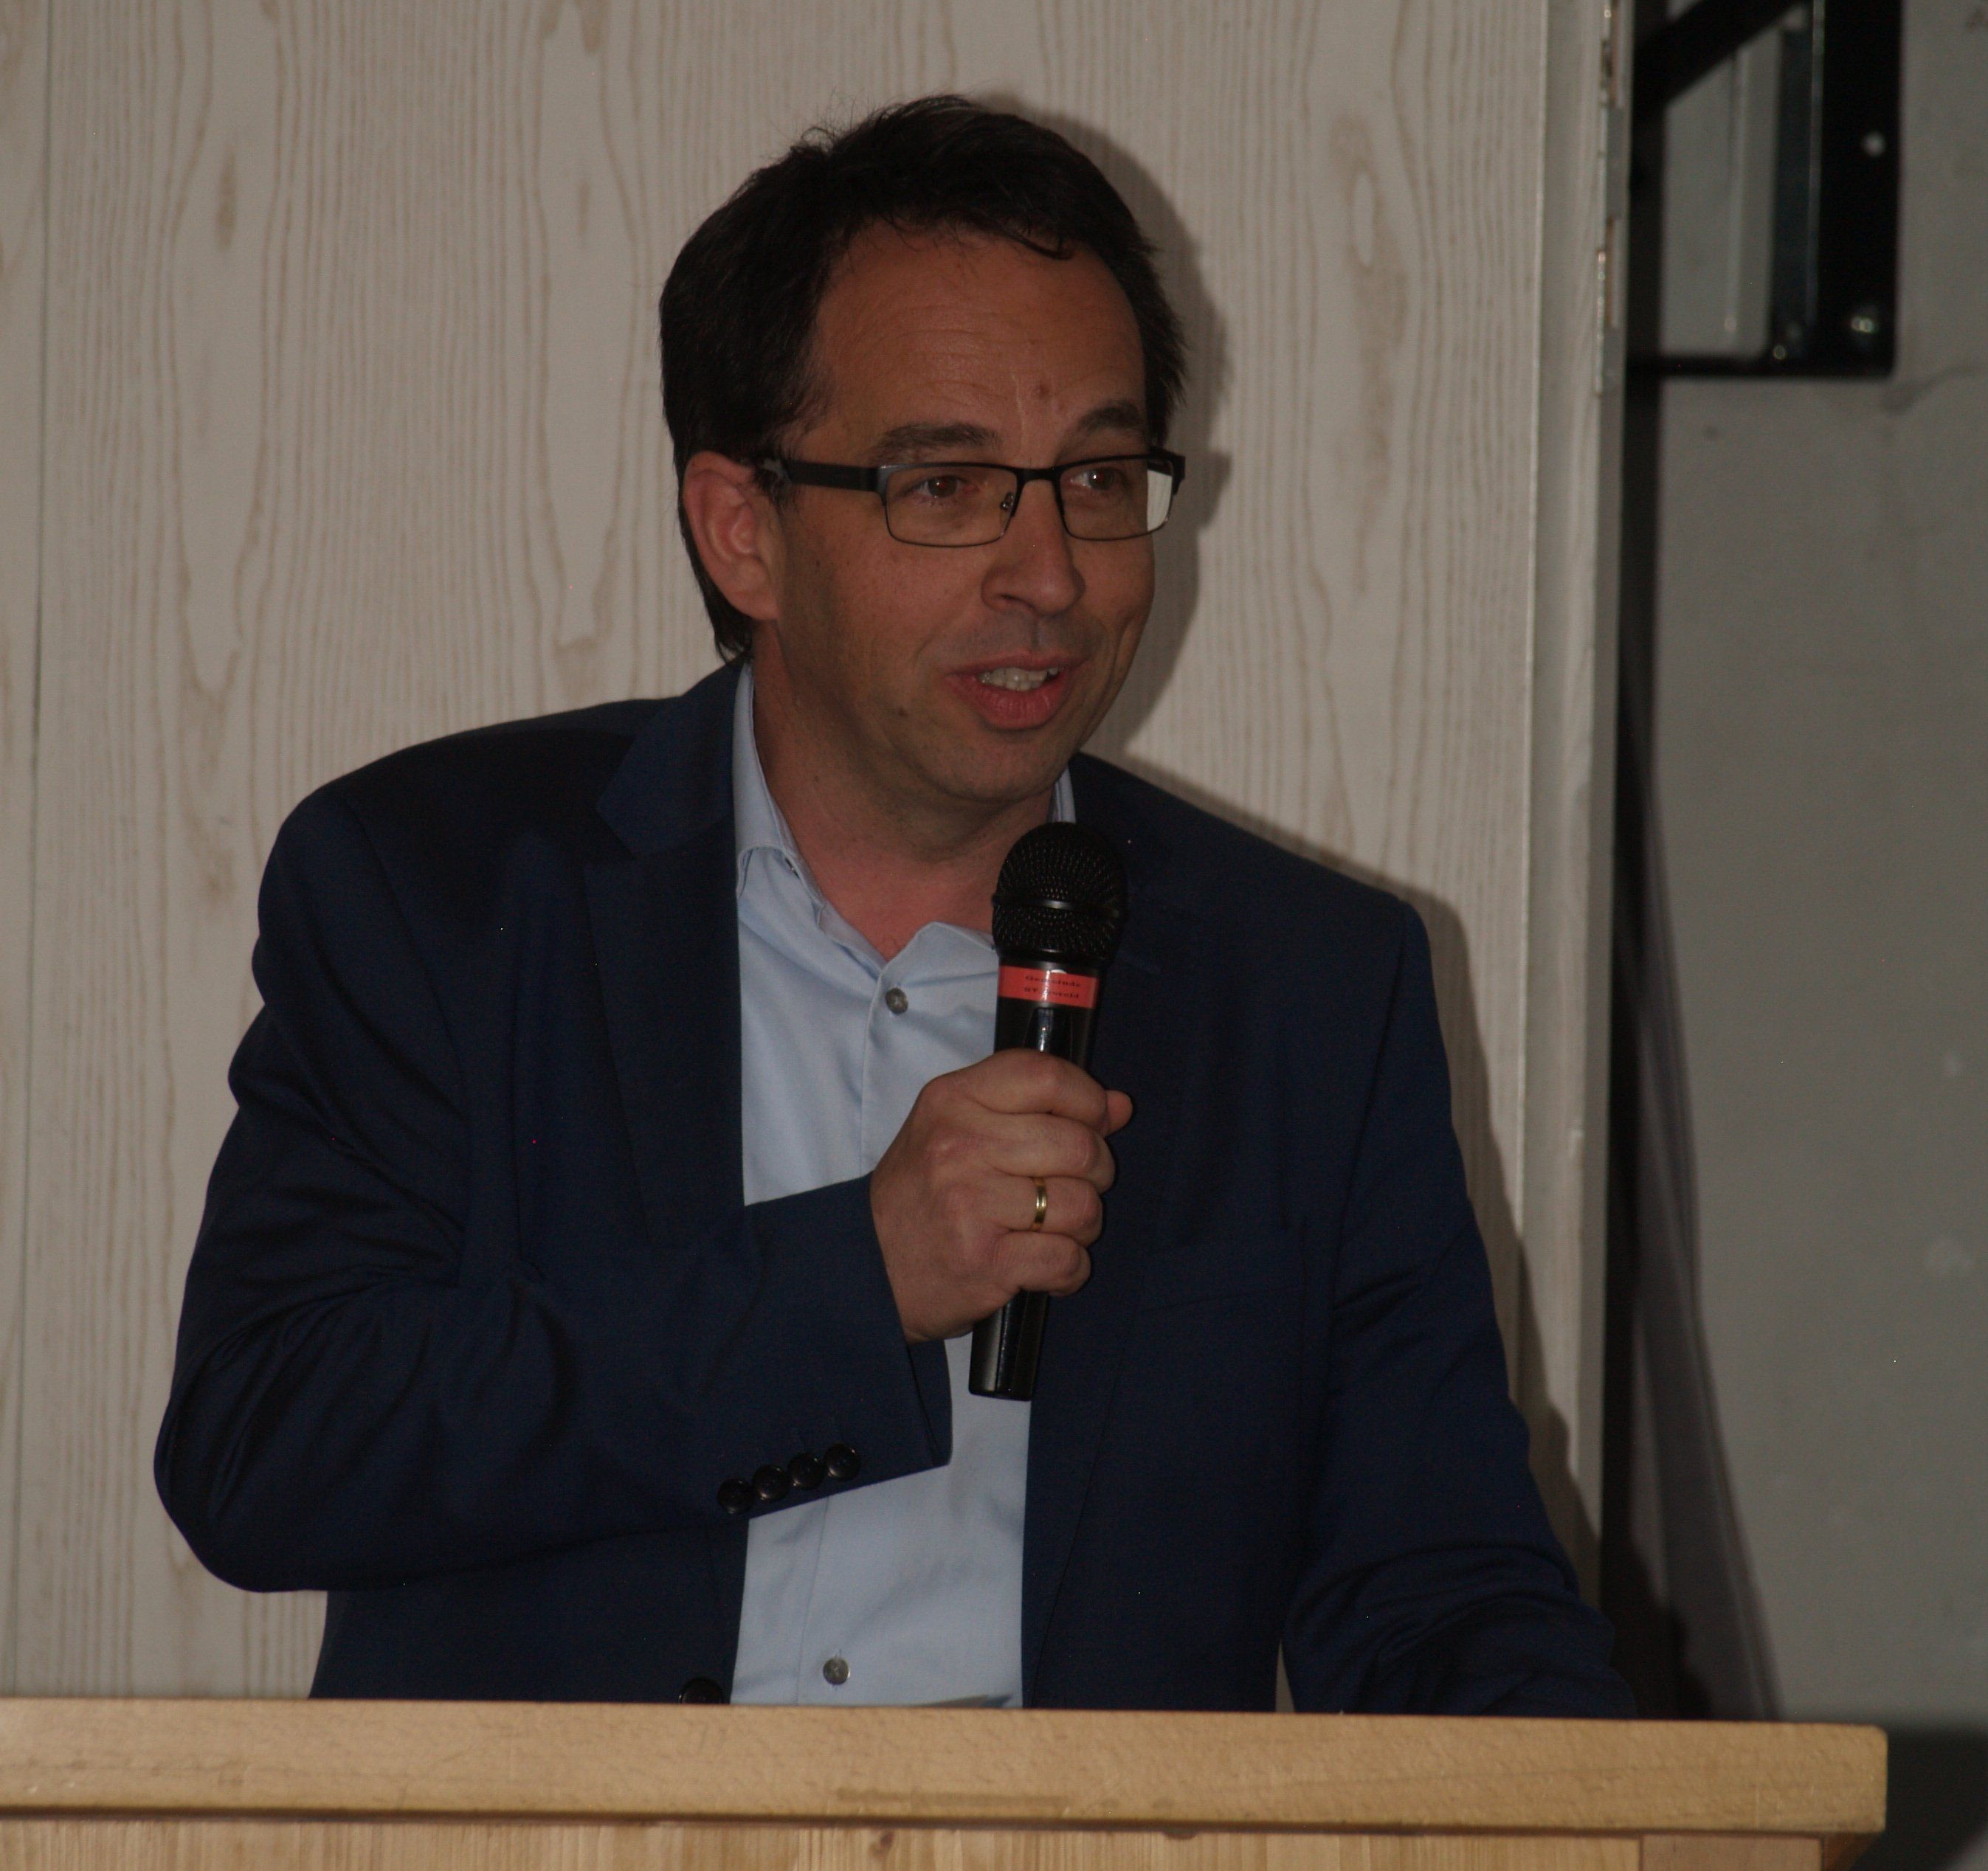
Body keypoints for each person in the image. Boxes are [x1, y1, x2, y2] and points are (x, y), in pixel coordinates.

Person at [156, 97, 1631, 1714]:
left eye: (1096, 477)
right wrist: (849, 1286)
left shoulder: (1306, 989)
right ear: (745, 533)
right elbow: (266, 1445)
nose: (1050, 573)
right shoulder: (443, 892)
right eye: (947, 486)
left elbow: (1437, 1589)